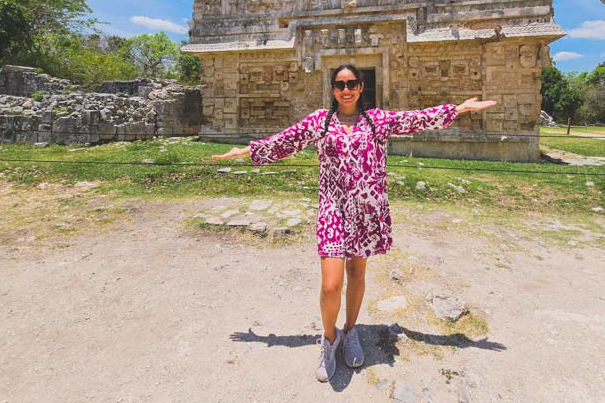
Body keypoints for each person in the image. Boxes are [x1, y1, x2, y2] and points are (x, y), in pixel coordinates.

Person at [211, 64, 497, 382]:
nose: (345, 89)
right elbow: (285, 141)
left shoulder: (377, 121)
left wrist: (459, 109)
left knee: (356, 275)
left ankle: (350, 332)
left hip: (365, 212)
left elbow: (415, 119)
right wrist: (247, 150)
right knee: (331, 284)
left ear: (361, 87)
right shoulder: (320, 122)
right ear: (332, 89)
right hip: (333, 210)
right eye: (339, 84)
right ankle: (329, 340)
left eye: (351, 83)